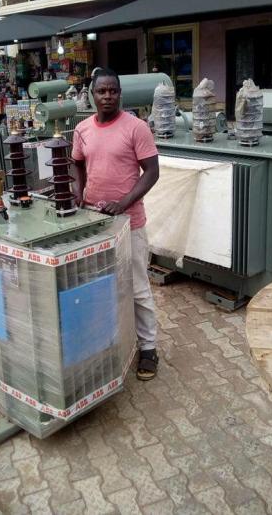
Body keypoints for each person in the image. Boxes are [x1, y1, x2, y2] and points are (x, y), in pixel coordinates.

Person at [72, 67, 160, 381]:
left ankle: (148, 348)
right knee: (102, 287)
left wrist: (123, 202)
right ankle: (110, 343)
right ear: (92, 95)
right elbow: (76, 162)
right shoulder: (82, 129)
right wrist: (78, 191)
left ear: (120, 94)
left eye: (112, 91)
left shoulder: (136, 127)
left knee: (137, 288)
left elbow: (152, 172)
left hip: (129, 223)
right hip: (94, 223)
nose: (107, 96)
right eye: (101, 91)